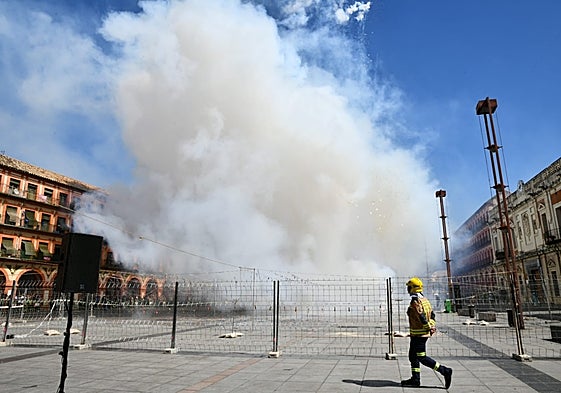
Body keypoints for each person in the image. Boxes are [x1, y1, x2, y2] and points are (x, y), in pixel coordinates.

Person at [401, 277, 453, 389]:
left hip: (420, 334)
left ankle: (445, 371)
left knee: (422, 357)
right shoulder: (424, 299)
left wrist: (429, 327)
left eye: (409, 287)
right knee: (413, 357)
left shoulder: (415, 301)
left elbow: (422, 317)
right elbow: (432, 315)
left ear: (412, 288)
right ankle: (415, 379)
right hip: (417, 334)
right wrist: (432, 325)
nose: (407, 289)